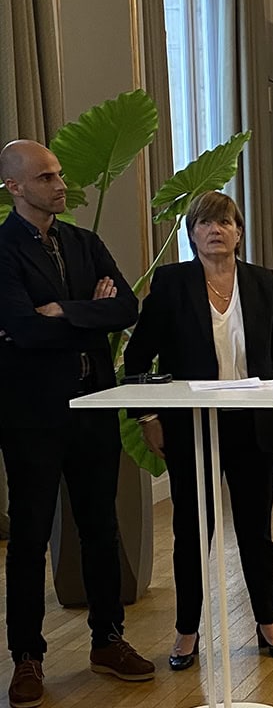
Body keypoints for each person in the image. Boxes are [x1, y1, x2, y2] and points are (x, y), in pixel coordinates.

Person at [0, 139, 155, 707]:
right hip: (31, 415)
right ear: (15, 187)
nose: (61, 185)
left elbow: (127, 309)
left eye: (60, 174)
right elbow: (21, 328)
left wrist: (64, 310)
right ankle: (27, 657)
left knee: (100, 527)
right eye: (46, 178)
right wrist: (89, 314)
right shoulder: (3, 249)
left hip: (93, 403)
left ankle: (108, 639)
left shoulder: (85, 242)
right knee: (30, 535)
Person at [124, 191, 273, 672]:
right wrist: (147, 417)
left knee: (256, 530)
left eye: (224, 222)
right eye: (204, 223)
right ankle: (187, 633)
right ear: (192, 234)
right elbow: (138, 359)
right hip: (192, 426)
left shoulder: (262, 282)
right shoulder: (171, 283)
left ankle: (268, 622)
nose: (215, 230)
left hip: (254, 422)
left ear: (238, 232)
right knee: (191, 531)